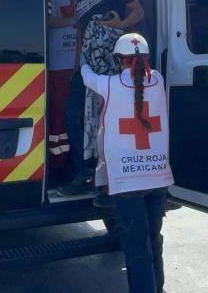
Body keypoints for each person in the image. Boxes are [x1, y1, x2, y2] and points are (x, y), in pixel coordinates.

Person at [80, 33, 172, 293]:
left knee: (137, 251)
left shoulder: (109, 84)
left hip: (126, 184)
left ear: (118, 59)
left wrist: (83, 56)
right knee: (153, 243)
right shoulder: (159, 80)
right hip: (158, 181)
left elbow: (87, 76)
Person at [57, 0, 145, 195]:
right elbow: (81, 30)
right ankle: (83, 173)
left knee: (111, 117)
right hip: (88, 62)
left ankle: (113, 174)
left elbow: (138, 11)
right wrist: (77, 65)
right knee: (74, 112)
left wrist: (121, 25)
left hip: (116, 62)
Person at [45, 0, 78, 179]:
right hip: (60, 59)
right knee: (59, 112)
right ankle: (59, 164)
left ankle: (81, 162)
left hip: (84, 59)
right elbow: (46, 19)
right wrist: (72, 21)